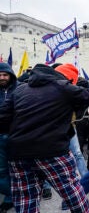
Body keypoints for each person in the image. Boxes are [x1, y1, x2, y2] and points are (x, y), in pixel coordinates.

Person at [0, 63, 89, 213]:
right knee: (72, 194)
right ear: (69, 78)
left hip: (18, 154)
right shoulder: (63, 86)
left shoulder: (20, 89)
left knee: (26, 201)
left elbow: (3, 119)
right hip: (53, 152)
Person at [0, 63, 18, 212]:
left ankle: (14, 197)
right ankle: (12, 195)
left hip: (16, 136)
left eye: (5, 75)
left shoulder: (20, 89)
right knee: (1, 170)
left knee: (18, 169)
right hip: (0, 136)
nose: (2, 78)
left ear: (10, 75)